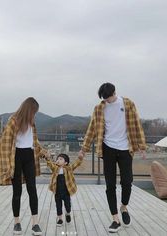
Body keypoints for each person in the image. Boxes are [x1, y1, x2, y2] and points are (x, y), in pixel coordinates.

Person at [79, 82, 146, 233]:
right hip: (107, 148)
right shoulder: (99, 108)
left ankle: (123, 206)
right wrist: (84, 148)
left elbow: (137, 124)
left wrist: (142, 146)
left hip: (125, 148)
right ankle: (115, 219)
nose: (106, 100)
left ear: (114, 93)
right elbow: (92, 129)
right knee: (110, 185)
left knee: (127, 182)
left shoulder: (128, 104)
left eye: (108, 97)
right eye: (104, 98)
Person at [0, 97, 49, 236]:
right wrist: (8, 165)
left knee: (32, 189)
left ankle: (35, 223)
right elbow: (5, 144)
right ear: (29, 110)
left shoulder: (32, 123)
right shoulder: (13, 121)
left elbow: (34, 142)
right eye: (34, 111)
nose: (35, 114)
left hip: (29, 156)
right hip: (16, 157)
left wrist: (43, 152)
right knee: (17, 191)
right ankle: (16, 222)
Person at [45, 153, 83, 226]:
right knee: (58, 206)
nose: (58, 160)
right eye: (58, 159)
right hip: (57, 191)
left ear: (66, 162)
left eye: (61, 159)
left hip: (66, 191)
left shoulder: (69, 168)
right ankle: (60, 219)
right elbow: (50, 164)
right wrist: (47, 158)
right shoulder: (55, 168)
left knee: (68, 205)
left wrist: (80, 158)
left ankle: (68, 213)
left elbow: (76, 164)